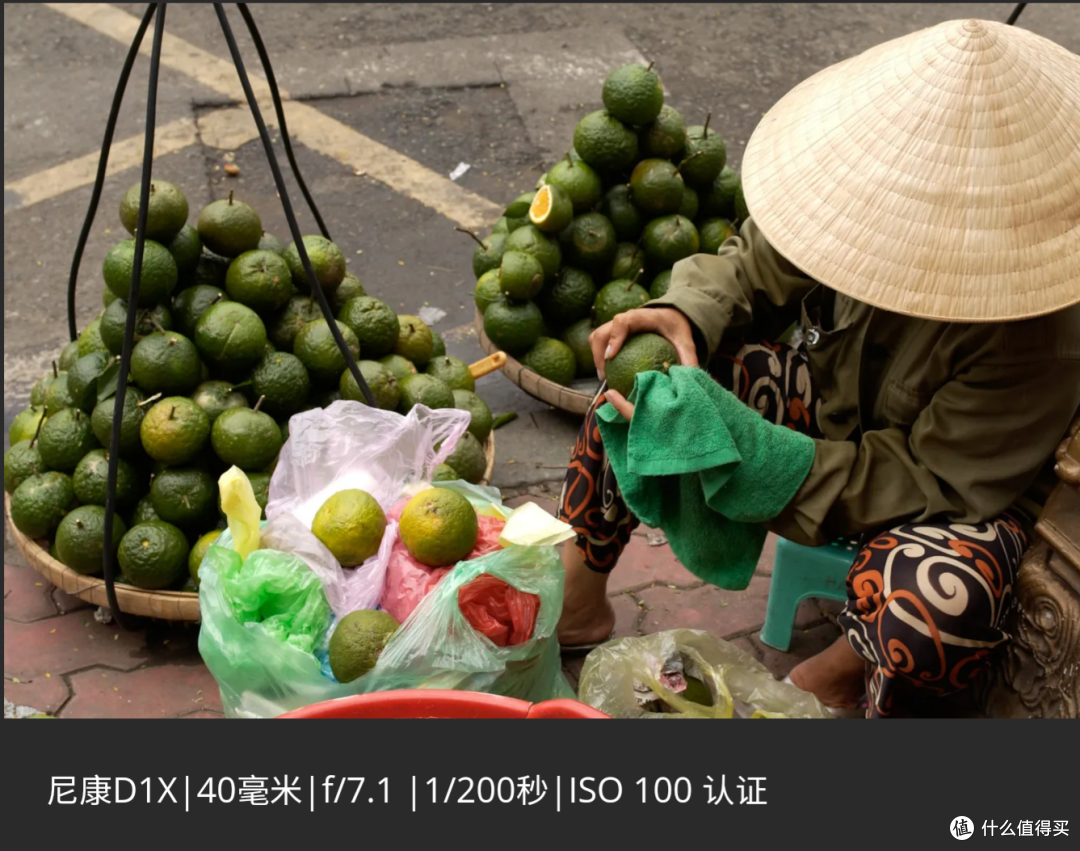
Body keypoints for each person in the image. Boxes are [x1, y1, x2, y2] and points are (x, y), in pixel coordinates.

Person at [555, 18, 1080, 718]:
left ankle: (832, 676)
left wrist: (761, 456)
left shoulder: (1042, 329)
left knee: (934, 604)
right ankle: (579, 602)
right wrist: (685, 311)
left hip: (963, 497)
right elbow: (754, 263)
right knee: (643, 388)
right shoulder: (869, 194)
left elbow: (928, 475)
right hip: (842, 404)